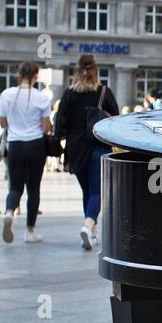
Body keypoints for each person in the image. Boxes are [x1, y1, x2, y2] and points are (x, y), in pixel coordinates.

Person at [56, 55, 120, 250]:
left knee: (87, 191)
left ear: (77, 71)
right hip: (98, 146)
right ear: (95, 71)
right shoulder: (103, 92)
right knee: (98, 192)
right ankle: (88, 225)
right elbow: (116, 119)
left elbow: (60, 127)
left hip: (75, 150)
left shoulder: (68, 94)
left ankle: (91, 232)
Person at [0, 61, 52, 244]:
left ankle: (9, 213)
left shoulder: (7, 95)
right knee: (34, 188)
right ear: (36, 76)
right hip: (35, 144)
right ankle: (30, 231)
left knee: (15, 186)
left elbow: (3, 124)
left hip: (15, 145)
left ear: (18, 74)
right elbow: (45, 128)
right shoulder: (42, 97)